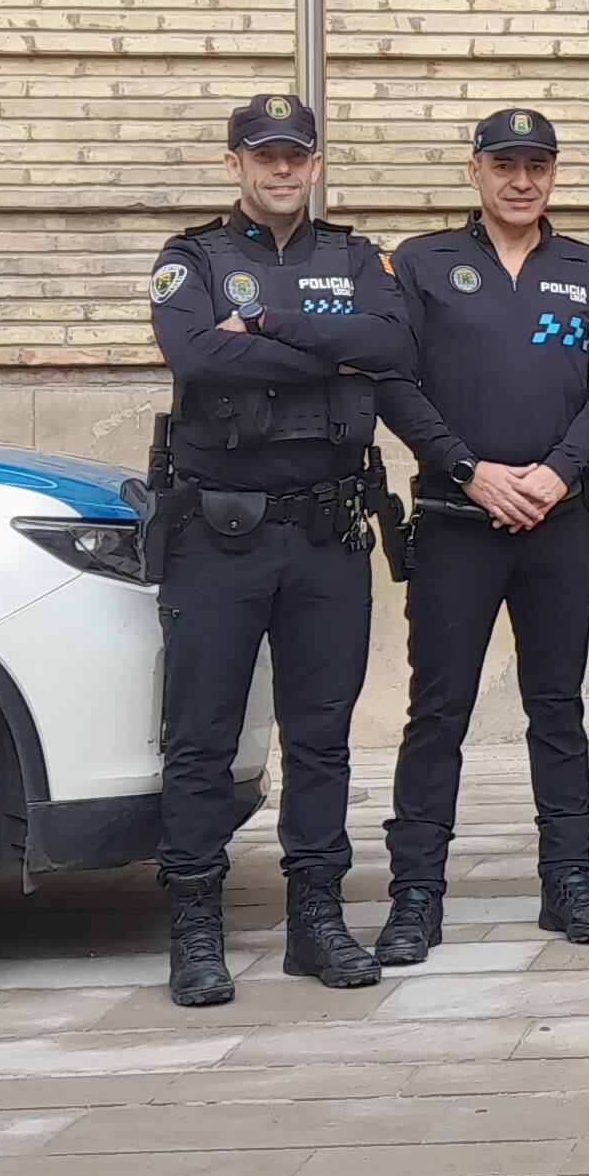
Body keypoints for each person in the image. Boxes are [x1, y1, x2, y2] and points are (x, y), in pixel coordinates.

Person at [142, 94, 414, 1006]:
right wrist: (329, 354)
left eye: (297, 154)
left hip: (329, 533)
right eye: (265, 156)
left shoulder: (355, 257)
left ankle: (316, 921)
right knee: (202, 741)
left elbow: (394, 345)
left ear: (316, 161)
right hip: (217, 536)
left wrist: (263, 327)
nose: (283, 169)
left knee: (323, 740)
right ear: (235, 165)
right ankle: (195, 926)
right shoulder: (193, 260)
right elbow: (196, 360)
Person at [371, 108, 589, 962]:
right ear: (475, 172)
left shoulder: (588, 269)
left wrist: (557, 472)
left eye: (538, 167)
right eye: (506, 166)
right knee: (436, 711)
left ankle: (570, 882)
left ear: (555, 174)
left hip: (559, 521)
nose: (523, 182)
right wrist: (469, 470)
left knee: (558, 707)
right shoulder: (423, 263)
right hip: (456, 521)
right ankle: (415, 898)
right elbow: (394, 381)